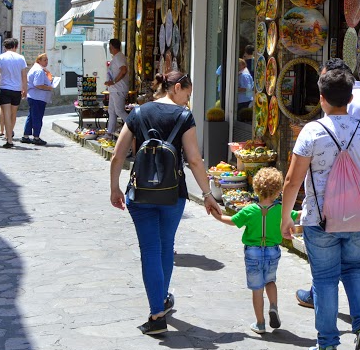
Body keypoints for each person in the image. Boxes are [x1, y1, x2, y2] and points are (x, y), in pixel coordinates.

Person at [280, 65, 360, 350]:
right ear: (350, 97)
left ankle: (327, 347)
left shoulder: (312, 132)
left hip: (320, 220)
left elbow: (292, 180)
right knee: (354, 269)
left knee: (325, 279)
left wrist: (286, 218)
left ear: (322, 97)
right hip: (359, 217)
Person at [108, 71, 223, 335]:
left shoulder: (138, 112)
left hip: (141, 192)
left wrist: (114, 188)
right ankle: (160, 301)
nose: (187, 101)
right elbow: (194, 160)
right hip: (173, 193)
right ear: (177, 88)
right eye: (187, 95)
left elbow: (117, 155)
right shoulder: (183, 117)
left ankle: (157, 313)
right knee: (166, 246)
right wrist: (207, 195)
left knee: (149, 250)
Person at [295, 57, 360, 310]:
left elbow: (293, 178)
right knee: (357, 264)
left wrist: (287, 216)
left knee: (325, 273)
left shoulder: (317, 128)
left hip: (325, 205)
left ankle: (327, 340)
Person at [210, 167, 296, 334]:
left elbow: (232, 221)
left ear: (256, 188)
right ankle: (273, 306)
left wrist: (216, 215)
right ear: (279, 190)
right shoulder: (281, 210)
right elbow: (296, 215)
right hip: (272, 250)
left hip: (253, 252)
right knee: (270, 281)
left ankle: (260, 323)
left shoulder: (249, 210)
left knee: (257, 288)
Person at [0, 38, 28, 148]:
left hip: (4, 88)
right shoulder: (21, 58)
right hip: (17, 89)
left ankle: (9, 138)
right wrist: (25, 89)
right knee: (13, 114)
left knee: (6, 115)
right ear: (16, 46)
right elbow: (24, 76)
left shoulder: (0, 57)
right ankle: (10, 133)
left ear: (5, 47)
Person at [22, 52, 55, 145]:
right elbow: (38, 84)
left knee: (31, 116)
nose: (47, 62)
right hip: (38, 97)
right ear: (39, 60)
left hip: (34, 96)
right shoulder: (39, 70)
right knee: (37, 117)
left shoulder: (37, 69)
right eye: (45, 60)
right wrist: (49, 87)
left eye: (47, 59)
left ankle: (26, 136)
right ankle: (36, 137)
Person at [107, 38, 129, 138]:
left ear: (111, 46)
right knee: (111, 111)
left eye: (109, 46)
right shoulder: (116, 57)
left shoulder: (119, 57)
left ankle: (134, 126)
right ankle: (109, 132)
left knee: (119, 111)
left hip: (118, 89)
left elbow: (123, 70)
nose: (109, 48)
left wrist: (114, 81)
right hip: (114, 89)